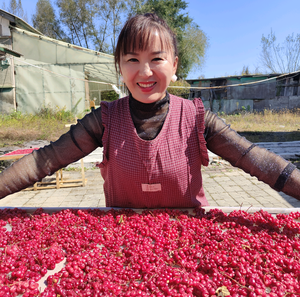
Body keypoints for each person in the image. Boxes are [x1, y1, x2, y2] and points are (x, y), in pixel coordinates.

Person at [0, 13, 299, 208]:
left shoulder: (195, 118)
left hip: (191, 249)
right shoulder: (104, 120)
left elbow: (255, 159)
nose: (145, 72)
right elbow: (45, 160)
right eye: (132, 59)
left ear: (175, 66)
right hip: (124, 251)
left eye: (157, 59)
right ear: (120, 66)